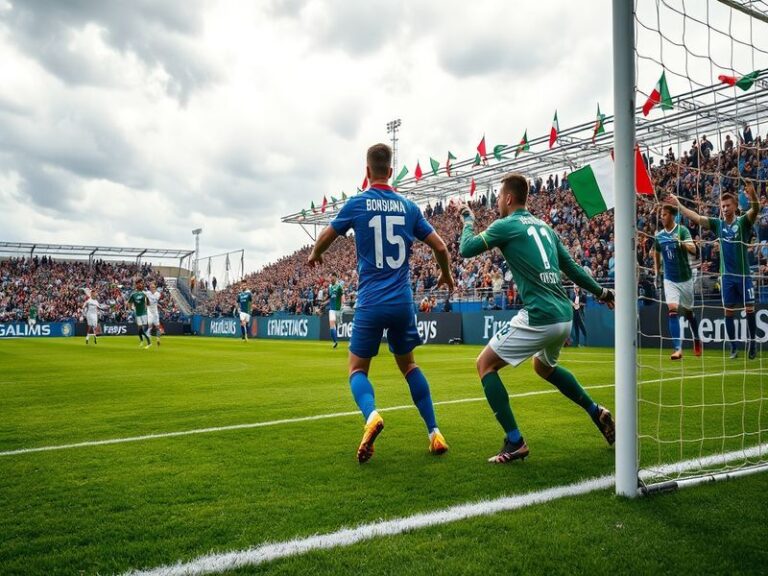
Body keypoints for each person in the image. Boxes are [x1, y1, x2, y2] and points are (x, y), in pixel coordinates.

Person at [308, 143, 454, 463]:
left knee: (357, 369)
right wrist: (445, 276)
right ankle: (434, 433)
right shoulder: (409, 208)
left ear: (366, 172)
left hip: (371, 302)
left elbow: (327, 235)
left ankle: (372, 415)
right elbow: (441, 247)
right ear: (390, 172)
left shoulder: (358, 204)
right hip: (402, 302)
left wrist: (316, 254)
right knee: (409, 365)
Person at [458, 173, 616, 464]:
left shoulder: (506, 225)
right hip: (563, 315)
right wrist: (603, 292)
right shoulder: (545, 227)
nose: (496, 204)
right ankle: (596, 411)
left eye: (498, 198)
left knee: (484, 364)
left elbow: (466, 249)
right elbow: (573, 269)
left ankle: (515, 441)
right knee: (543, 368)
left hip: (540, 314)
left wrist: (468, 220)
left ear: (508, 198)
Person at [668, 180, 759, 359]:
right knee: (729, 312)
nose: (724, 208)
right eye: (722, 206)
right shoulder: (718, 224)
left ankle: (753, 343)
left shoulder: (743, 222)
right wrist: (678, 205)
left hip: (743, 276)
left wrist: (753, 195)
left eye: (727, 205)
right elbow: (696, 217)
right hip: (726, 277)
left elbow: (756, 209)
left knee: (749, 309)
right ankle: (733, 348)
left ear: (734, 206)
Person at [651, 204, 702, 360]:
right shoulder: (659, 236)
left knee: (688, 313)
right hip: (669, 278)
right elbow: (656, 254)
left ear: (672, 216)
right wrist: (656, 272)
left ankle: (696, 338)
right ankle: (678, 349)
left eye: (665, 214)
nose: (662, 217)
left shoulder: (682, 231)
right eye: (661, 215)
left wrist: (681, 243)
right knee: (672, 309)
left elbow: (693, 249)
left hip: (685, 278)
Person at [127, 279, 152, 348]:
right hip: (137, 313)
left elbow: (148, 303)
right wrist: (130, 309)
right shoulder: (133, 294)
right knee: (139, 329)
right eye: (139, 283)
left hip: (144, 313)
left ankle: (148, 342)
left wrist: (146, 304)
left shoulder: (144, 293)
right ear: (136, 285)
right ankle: (142, 341)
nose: (140, 285)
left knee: (144, 328)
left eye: (141, 283)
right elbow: (129, 302)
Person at [327, 272, 344, 348]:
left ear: (336, 278)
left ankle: (335, 341)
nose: (331, 279)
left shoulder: (339, 286)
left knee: (335, 326)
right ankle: (335, 342)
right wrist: (323, 304)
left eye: (333, 278)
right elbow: (329, 297)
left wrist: (343, 304)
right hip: (332, 309)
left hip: (338, 309)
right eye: (331, 278)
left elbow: (342, 295)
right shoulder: (330, 286)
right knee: (332, 325)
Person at [145, 282, 163, 347]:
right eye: (151, 287)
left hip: (155, 311)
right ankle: (149, 342)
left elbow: (153, 301)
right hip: (149, 311)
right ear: (149, 288)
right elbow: (147, 303)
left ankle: (158, 340)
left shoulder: (158, 294)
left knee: (157, 327)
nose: (152, 288)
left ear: (155, 288)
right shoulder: (147, 293)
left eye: (153, 287)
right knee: (149, 325)